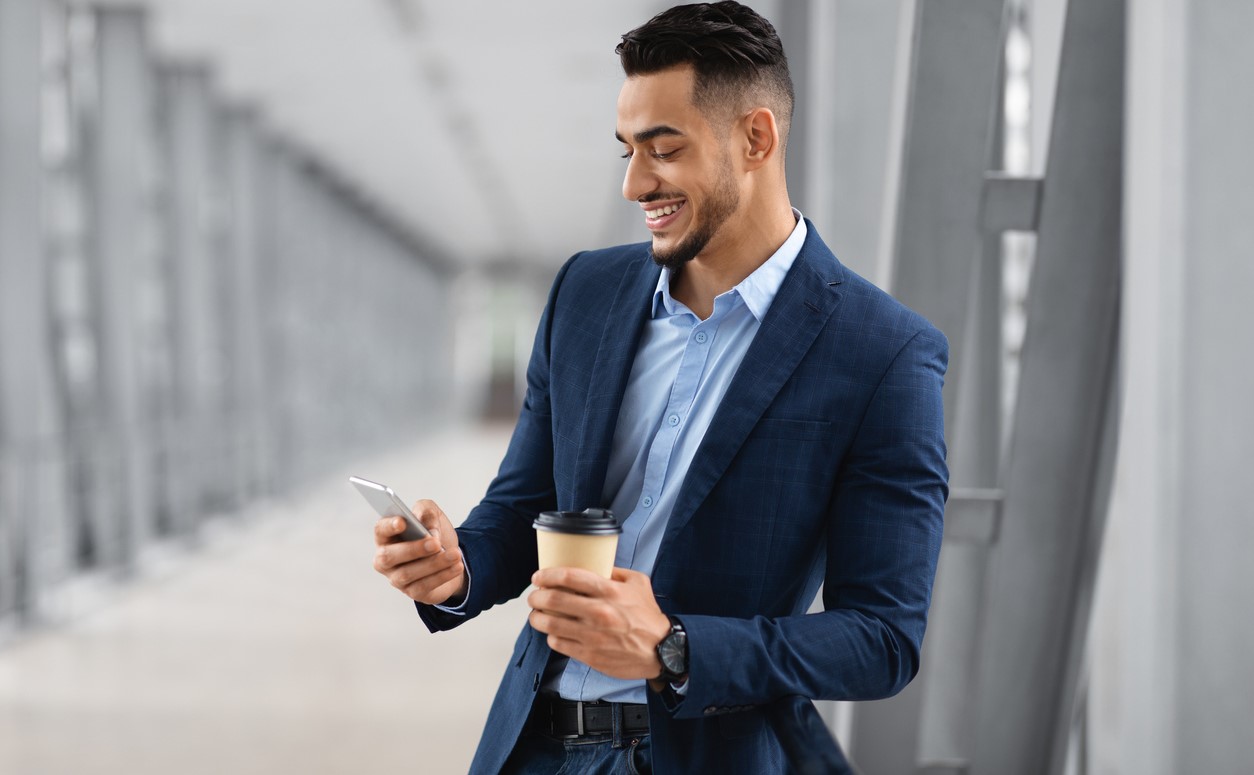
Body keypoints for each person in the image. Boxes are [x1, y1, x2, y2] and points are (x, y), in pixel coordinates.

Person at [371, 2, 948, 772]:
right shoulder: (584, 294)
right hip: (535, 746)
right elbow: (521, 511)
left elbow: (882, 637)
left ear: (756, 138)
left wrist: (673, 646)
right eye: (627, 152)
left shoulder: (884, 353)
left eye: (663, 149)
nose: (635, 184)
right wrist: (457, 567)